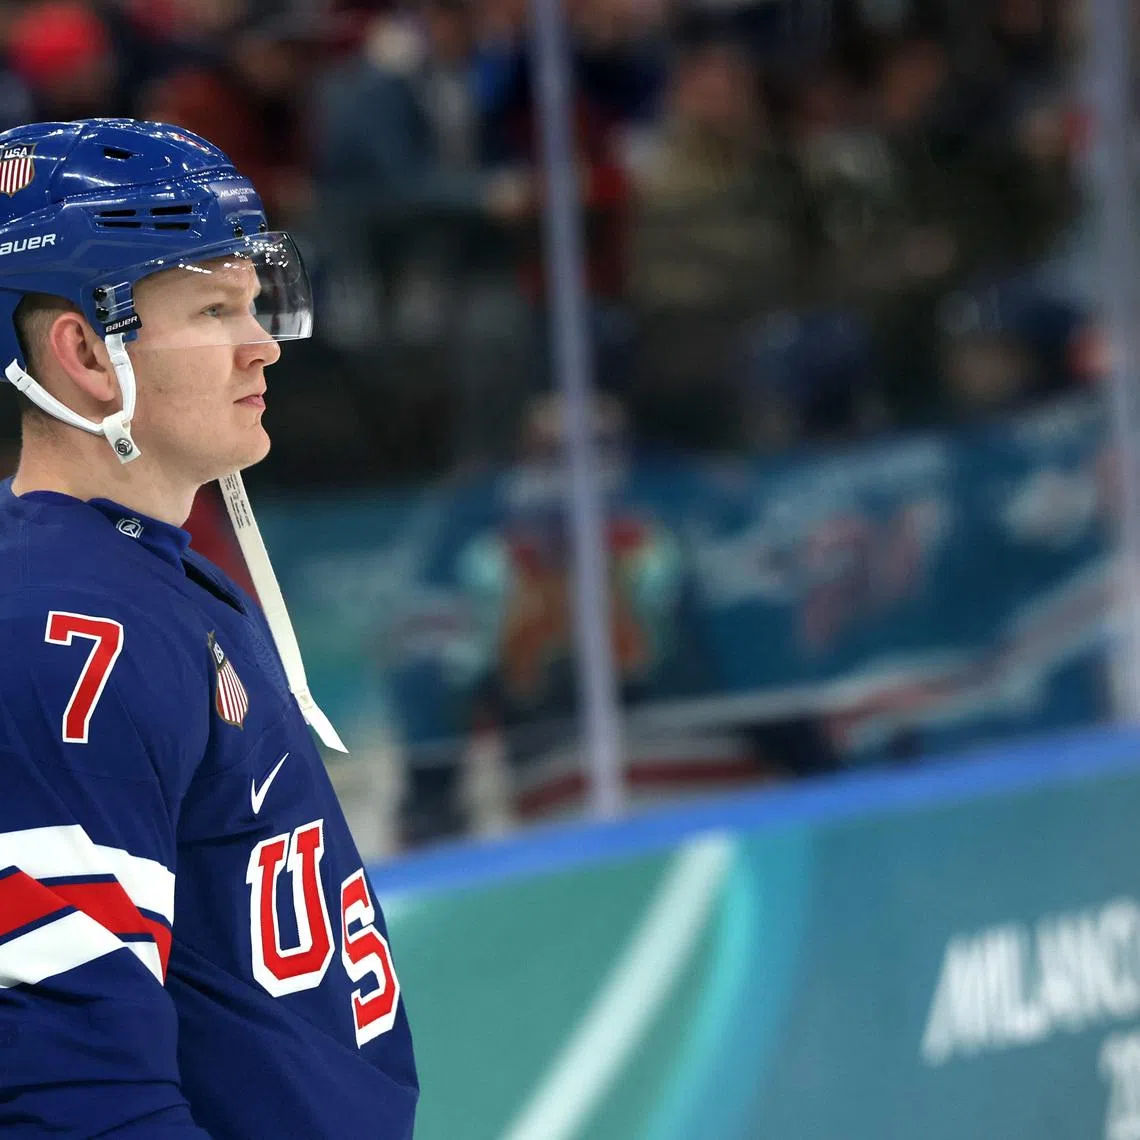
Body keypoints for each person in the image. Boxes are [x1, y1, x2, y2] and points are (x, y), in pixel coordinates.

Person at [0, 120, 417, 1137]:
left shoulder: (148, 573)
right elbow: (77, 1098)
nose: (262, 342)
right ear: (87, 353)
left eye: (255, 299)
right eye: (215, 309)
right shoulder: (60, 629)